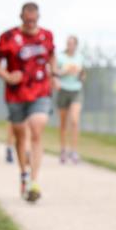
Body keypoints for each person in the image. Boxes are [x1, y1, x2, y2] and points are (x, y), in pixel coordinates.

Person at [0, 2, 55, 202]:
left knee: (36, 128)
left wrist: (54, 73)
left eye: (34, 20)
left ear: (38, 18)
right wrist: (7, 76)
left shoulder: (46, 35)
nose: (30, 23)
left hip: (40, 90)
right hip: (16, 93)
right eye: (27, 20)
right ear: (21, 17)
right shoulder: (8, 37)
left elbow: (51, 57)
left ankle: (34, 181)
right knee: (21, 136)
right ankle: (24, 174)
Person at [53, 34, 85, 164]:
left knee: (75, 121)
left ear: (76, 45)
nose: (69, 45)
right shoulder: (60, 57)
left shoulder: (80, 57)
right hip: (63, 90)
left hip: (76, 90)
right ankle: (63, 150)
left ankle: (74, 151)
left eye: (71, 43)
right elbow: (54, 73)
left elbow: (83, 75)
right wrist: (65, 71)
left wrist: (80, 75)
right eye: (68, 43)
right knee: (63, 123)